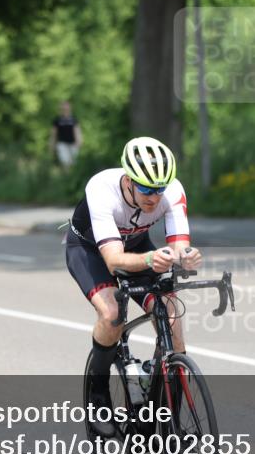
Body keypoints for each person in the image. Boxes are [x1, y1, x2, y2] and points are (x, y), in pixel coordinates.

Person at [65, 137, 201, 437]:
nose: (154, 197)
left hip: (138, 247)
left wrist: (185, 258)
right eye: (146, 189)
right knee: (113, 314)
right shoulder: (102, 190)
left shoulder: (173, 191)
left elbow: (179, 245)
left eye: (159, 190)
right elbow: (113, 262)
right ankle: (98, 398)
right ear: (128, 180)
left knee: (172, 319)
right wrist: (153, 259)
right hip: (90, 252)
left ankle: (169, 423)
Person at [50, 101, 82, 169]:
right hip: (62, 143)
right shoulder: (58, 120)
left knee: (73, 161)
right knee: (64, 160)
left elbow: (77, 131)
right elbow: (54, 133)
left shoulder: (73, 119)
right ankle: (66, 176)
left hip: (73, 143)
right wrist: (52, 144)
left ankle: (72, 176)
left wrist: (79, 141)